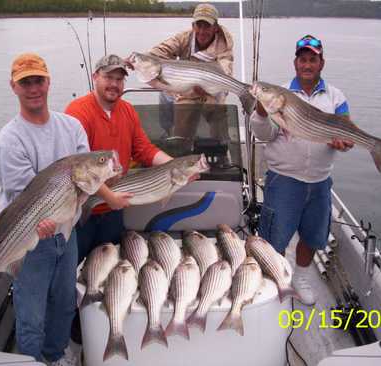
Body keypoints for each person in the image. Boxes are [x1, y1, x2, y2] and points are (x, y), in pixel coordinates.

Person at [0, 53, 89, 365]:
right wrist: (40, 223)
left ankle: (55, 355)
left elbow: (86, 180)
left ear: (48, 82)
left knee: (64, 304)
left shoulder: (71, 127)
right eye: (25, 82)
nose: (33, 88)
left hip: (66, 233)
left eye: (38, 80)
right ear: (13, 87)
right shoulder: (9, 141)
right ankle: (31, 360)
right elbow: (23, 203)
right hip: (26, 241)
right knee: (31, 314)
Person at [251, 35, 354, 306]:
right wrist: (261, 111)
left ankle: (302, 277)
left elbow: (345, 129)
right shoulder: (280, 94)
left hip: (320, 182)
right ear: (295, 63)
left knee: (312, 236)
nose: (307, 64)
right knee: (275, 236)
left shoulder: (336, 97)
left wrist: (345, 143)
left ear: (321, 63)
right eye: (302, 59)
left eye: (313, 59)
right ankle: (274, 279)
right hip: (284, 180)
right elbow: (263, 134)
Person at [65, 54, 172, 265]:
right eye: (108, 77)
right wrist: (109, 197)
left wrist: (177, 166)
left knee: (107, 270)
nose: (114, 84)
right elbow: (76, 170)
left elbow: (144, 150)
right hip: (80, 211)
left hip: (114, 212)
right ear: (95, 77)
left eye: (120, 79)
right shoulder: (77, 112)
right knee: (72, 269)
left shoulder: (128, 111)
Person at [148, 3, 233, 142]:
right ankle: (180, 146)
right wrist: (139, 61)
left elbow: (226, 72)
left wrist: (208, 90)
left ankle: (221, 150)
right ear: (193, 26)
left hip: (212, 91)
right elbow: (159, 51)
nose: (202, 31)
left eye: (207, 26)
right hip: (186, 90)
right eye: (199, 25)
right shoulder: (183, 38)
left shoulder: (224, 46)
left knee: (218, 112)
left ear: (216, 28)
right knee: (179, 107)